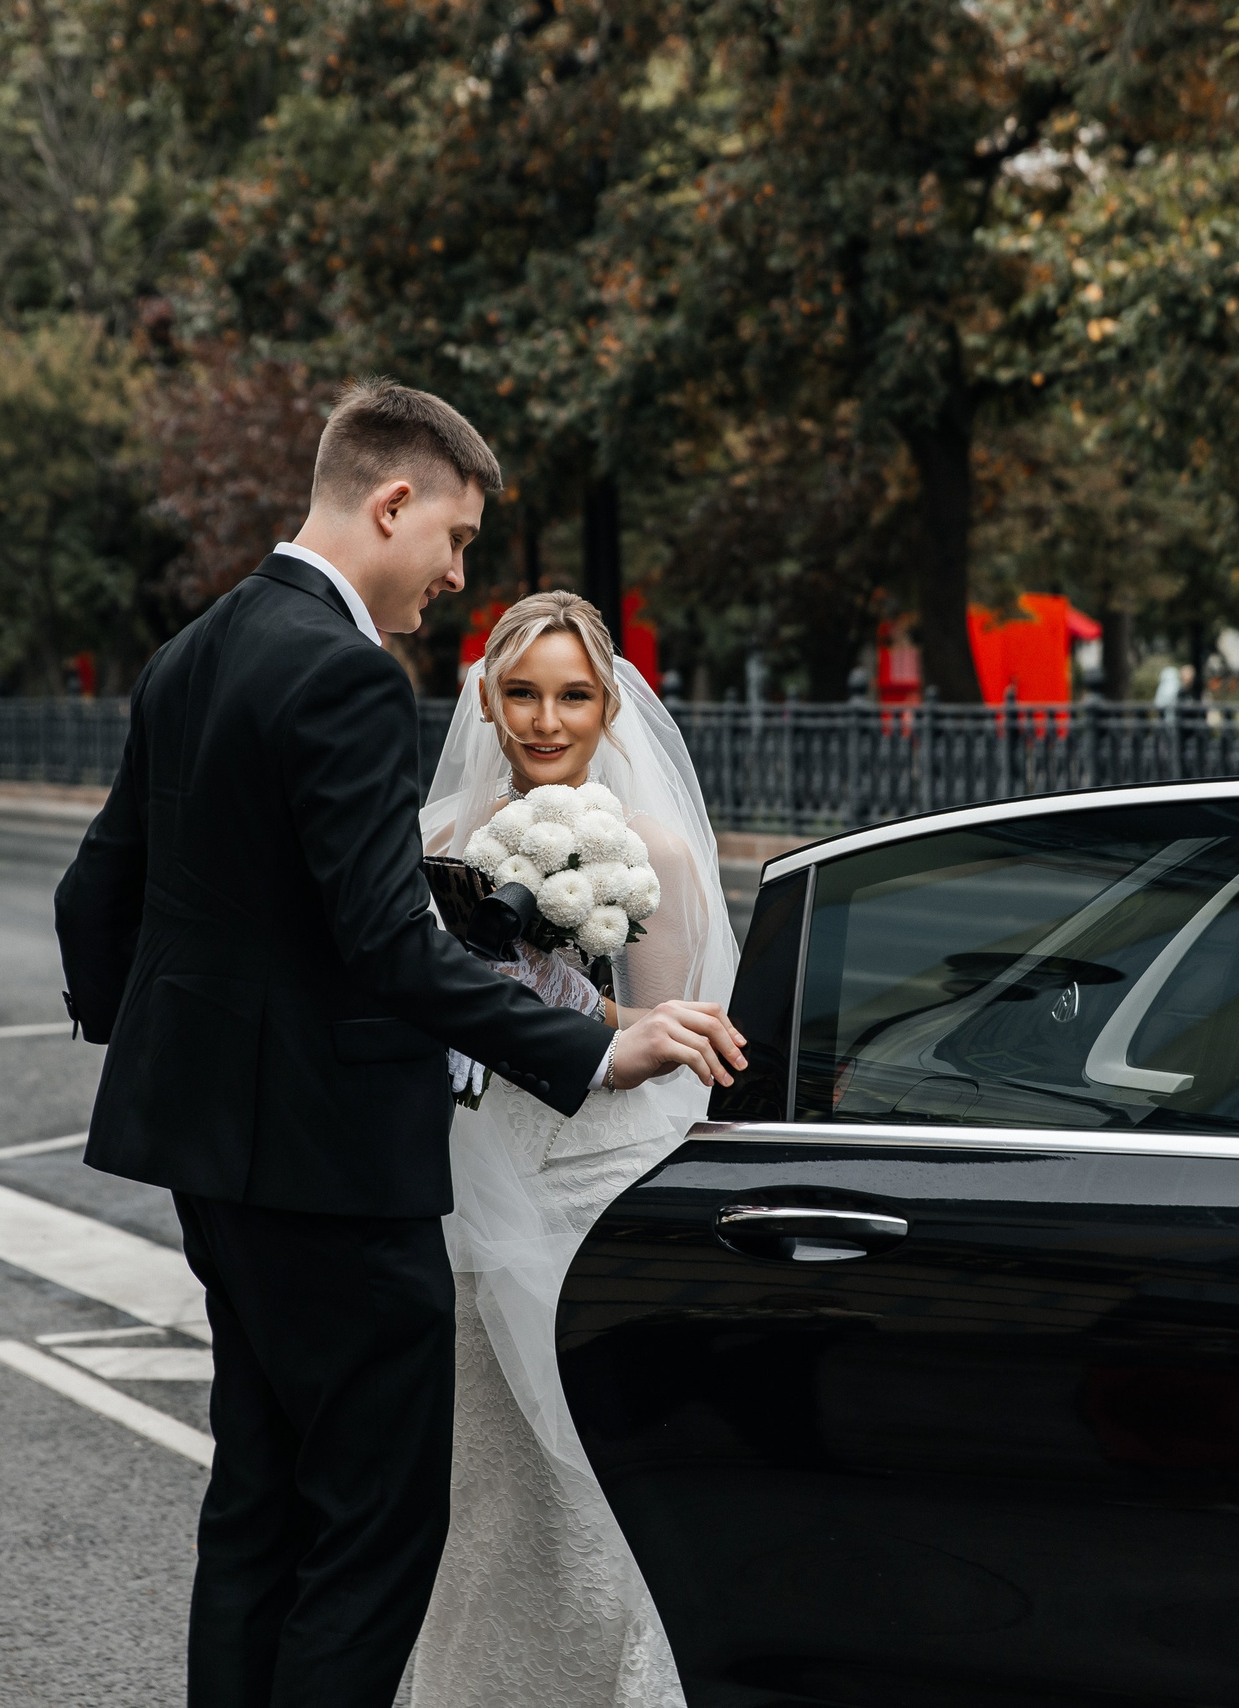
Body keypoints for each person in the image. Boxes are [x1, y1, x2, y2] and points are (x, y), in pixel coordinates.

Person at [52, 380, 746, 1708]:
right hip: (336, 1172)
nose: (454, 571)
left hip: (214, 1160)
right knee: (376, 1532)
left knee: (260, 1502)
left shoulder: (194, 650)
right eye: (457, 538)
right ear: (393, 503)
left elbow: (100, 892)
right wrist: (597, 1051)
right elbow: (387, 946)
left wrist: (170, 1045)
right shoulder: (348, 673)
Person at [394, 593, 734, 1708]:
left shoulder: (663, 853)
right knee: (485, 1502)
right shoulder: (437, 844)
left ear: (609, 707)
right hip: (468, 1185)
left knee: (602, 1494)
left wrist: (594, 1018)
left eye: (573, 695)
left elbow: (674, 1037)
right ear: (486, 700)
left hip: (599, 1186)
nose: (547, 720)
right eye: (524, 693)